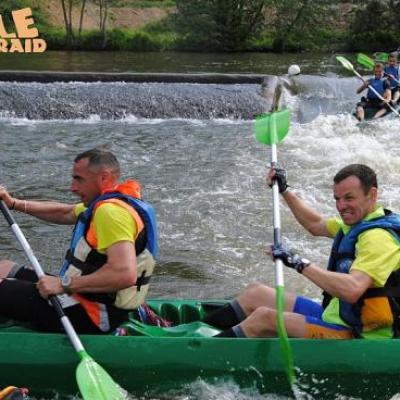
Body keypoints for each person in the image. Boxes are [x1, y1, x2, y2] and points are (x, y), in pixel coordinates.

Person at [204, 164, 400, 339]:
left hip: (362, 335)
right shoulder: (356, 225)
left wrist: (298, 262)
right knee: (256, 294)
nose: (341, 206)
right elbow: (315, 224)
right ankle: (191, 332)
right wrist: (284, 190)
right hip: (338, 315)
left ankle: (203, 355)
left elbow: (351, 290)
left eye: (349, 198)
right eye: (337, 199)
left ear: (372, 194)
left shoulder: (378, 238)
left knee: (264, 319)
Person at [0, 147, 157, 334]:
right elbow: (64, 212)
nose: (72, 187)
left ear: (104, 178)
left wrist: (62, 284)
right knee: (4, 267)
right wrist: (14, 204)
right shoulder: (107, 203)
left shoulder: (111, 213)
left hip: (93, 314)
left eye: (78, 179)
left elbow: (124, 274)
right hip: (85, 297)